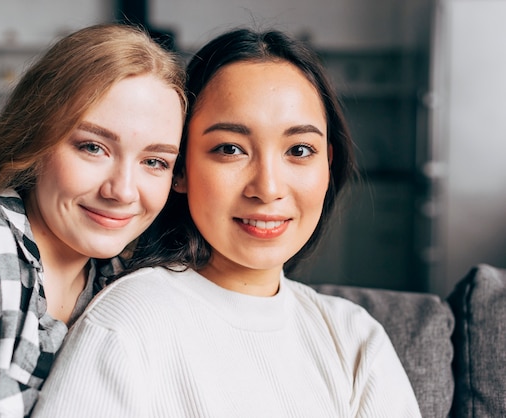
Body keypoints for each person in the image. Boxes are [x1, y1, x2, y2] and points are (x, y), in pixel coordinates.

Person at [32, 28, 422, 417]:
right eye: (230, 149)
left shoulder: (355, 338)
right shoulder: (128, 324)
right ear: (179, 169)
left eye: (299, 150)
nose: (267, 188)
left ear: (328, 164)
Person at [0, 23, 186, 418]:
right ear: (37, 140)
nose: (123, 191)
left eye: (154, 162)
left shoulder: (123, 281)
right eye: (93, 147)